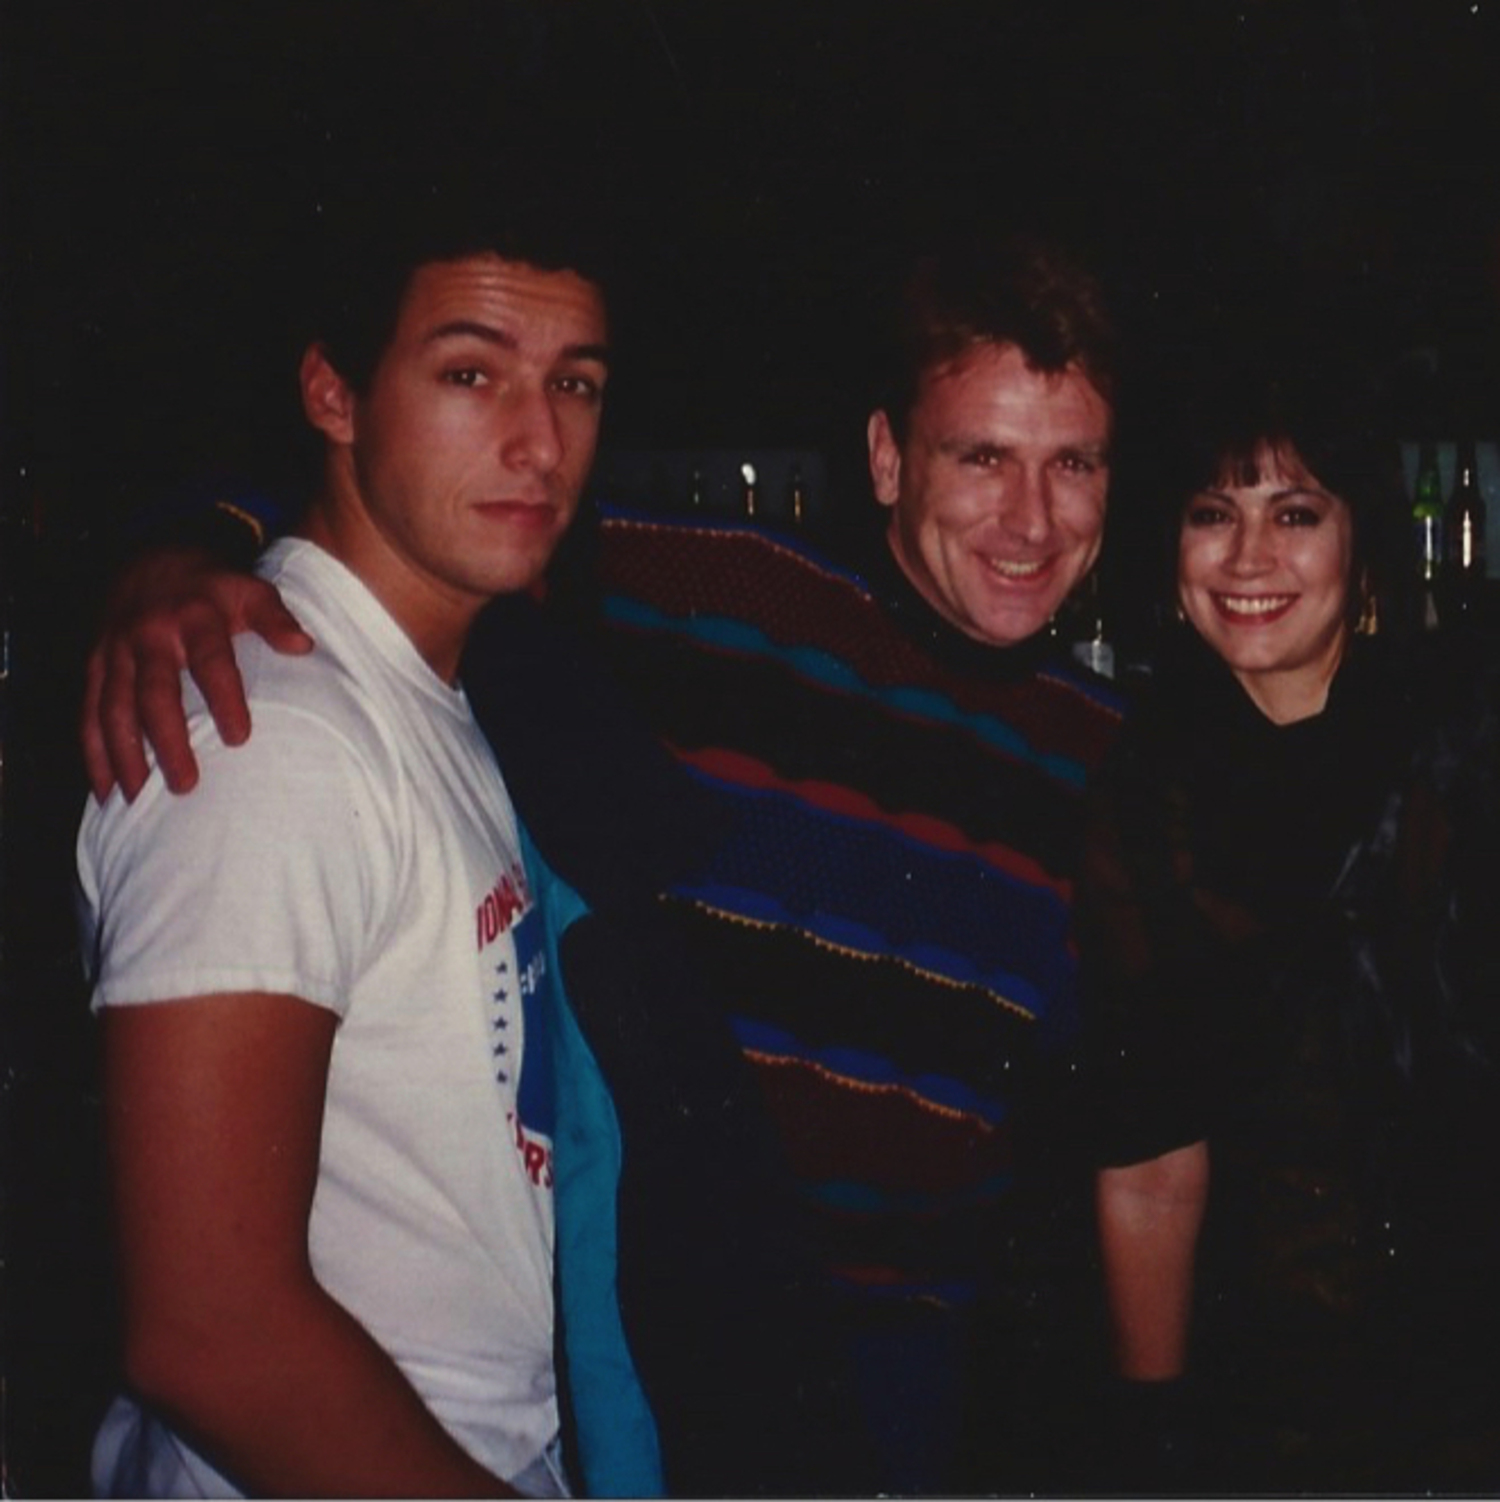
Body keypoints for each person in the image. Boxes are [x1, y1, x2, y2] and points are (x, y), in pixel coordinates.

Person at [83, 233, 1130, 1493]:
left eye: (1072, 463)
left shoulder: (1105, 743)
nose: (1031, 517)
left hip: (897, 1362)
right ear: (888, 459)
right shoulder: (717, 594)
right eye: (983, 457)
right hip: (668, 1340)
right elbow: (421, 500)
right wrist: (181, 561)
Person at [76, 174, 702, 1498]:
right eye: (472, 375)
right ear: (333, 394)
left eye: (576, 384)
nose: (539, 443)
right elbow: (211, 1332)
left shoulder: (443, 696)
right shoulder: (271, 737)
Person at [1082, 346, 1500, 1491]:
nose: (1250, 556)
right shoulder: (1139, 789)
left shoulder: (1461, 745)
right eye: (1213, 511)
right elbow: (1151, 1156)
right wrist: (1152, 1441)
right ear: (1169, 553)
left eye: (1296, 511)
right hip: (1256, 1398)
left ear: (1361, 542)